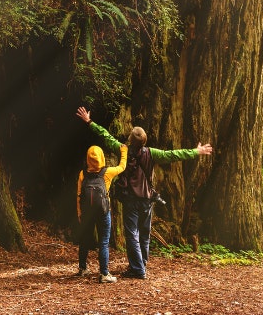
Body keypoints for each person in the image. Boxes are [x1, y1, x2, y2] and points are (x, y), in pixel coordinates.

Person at [76, 106, 213, 280]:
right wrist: (196, 151)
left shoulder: (122, 149)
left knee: (132, 234)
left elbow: (106, 136)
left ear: (130, 139)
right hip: (147, 198)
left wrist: (89, 122)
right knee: (144, 233)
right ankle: (141, 264)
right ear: (144, 140)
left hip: (131, 200)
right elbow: (173, 154)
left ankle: (138, 269)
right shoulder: (151, 153)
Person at [75, 138, 127, 283]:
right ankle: (104, 274)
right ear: (102, 157)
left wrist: (79, 212)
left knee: (84, 240)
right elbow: (122, 166)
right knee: (104, 242)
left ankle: (82, 268)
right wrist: (124, 151)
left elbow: (79, 195)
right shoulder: (107, 173)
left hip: (87, 213)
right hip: (103, 212)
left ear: (88, 159)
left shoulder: (82, 174)